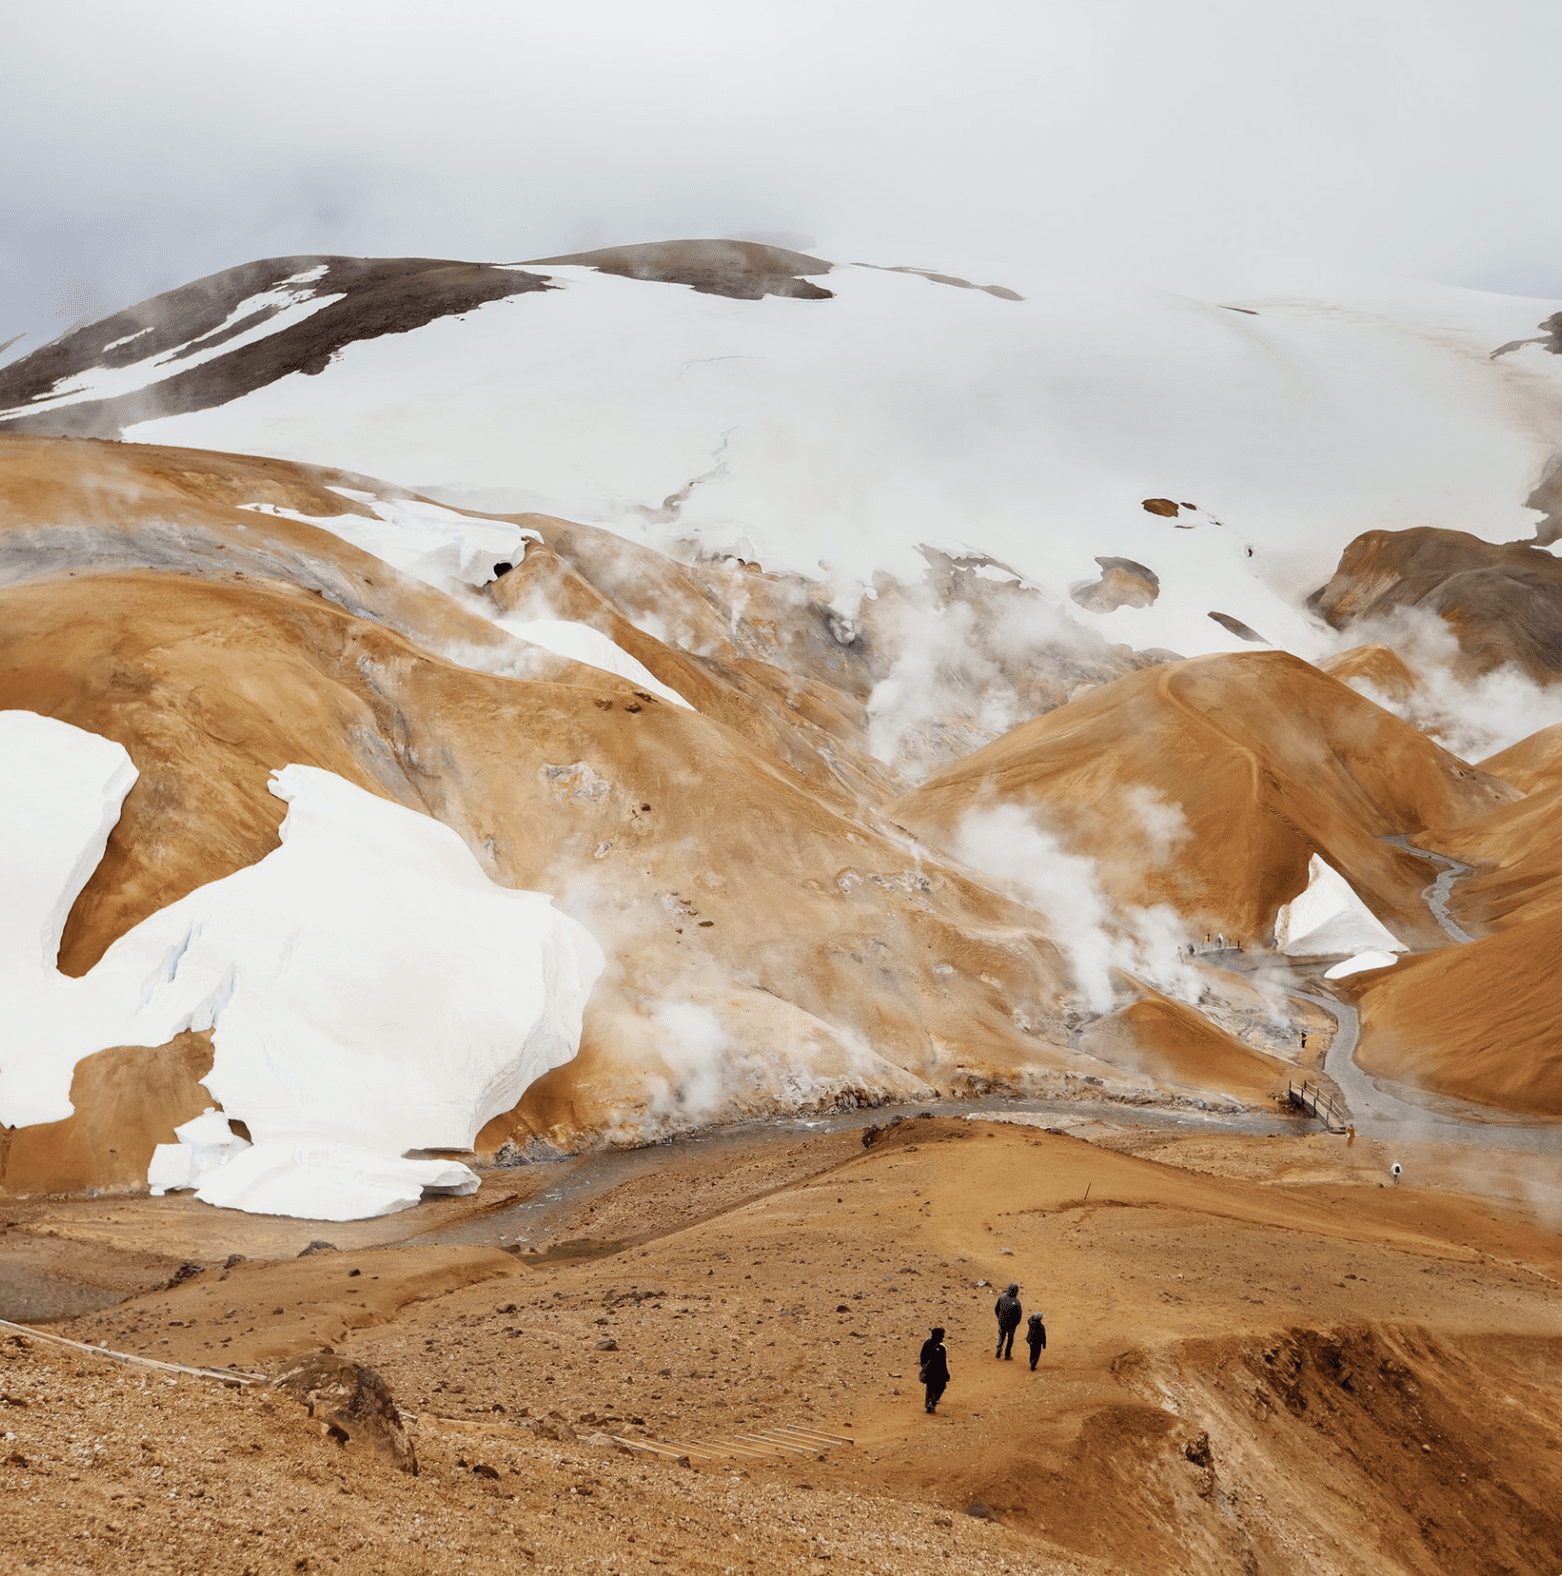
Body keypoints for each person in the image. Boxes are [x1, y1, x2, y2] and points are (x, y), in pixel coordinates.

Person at [919, 1326, 950, 1413]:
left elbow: (922, 1357)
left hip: (928, 1372)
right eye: (942, 1335)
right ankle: (932, 1402)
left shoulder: (927, 1344)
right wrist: (946, 1374)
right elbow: (943, 1363)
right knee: (941, 1387)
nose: (943, 1337)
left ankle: (928, 1403)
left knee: (930, 1388)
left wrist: (924, 1367)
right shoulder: (941, 1349)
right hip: (938, 1373)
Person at [994, 1283, 1022, 1359]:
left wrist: (999, 1318)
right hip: (1011, 1325)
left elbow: (996, 1309)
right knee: (1010, 1339)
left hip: (1002, 1322)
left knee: (1001, 1336)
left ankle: (998, 1350)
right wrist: (1016, 1324)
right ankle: (1007, 1355)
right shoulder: (1016, 1302)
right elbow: (1019, 1315)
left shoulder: (1001, 1297)